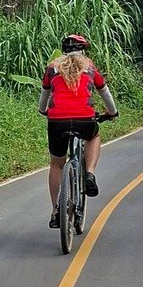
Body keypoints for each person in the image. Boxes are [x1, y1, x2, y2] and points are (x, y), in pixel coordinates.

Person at [39, 33, 118, 226]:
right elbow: (104, 92)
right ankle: (89, 173)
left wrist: (43, 110)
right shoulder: (89, 67)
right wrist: (112, 112)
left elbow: (44, 96)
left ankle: (56, 210)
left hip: (57, 121)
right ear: (83, 51)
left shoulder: (52, 68)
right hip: (85, 118)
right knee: (94, 136)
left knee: (57, 164)